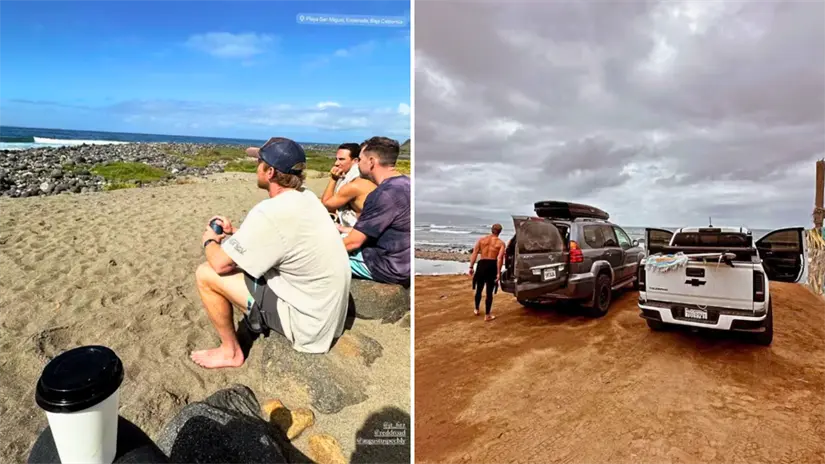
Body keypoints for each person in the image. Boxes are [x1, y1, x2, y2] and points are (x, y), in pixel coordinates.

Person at [192, 137, 351, 369]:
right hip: (326, 315)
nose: (257, 166)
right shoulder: (307, 198)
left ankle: (231, 352)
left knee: (205, 274)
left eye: (260, 162)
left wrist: (209, 241)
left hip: (306, 326)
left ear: (270, 172)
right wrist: (235, 232)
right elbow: (282, 238)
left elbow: (220, 264)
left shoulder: (270, 211)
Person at [340, 136, 410, 287]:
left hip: (387, 267)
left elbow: (352, 243)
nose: (357, 164)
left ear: (371, 162)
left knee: (319, 258)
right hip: (404, 263)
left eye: (360, 159)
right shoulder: (406, 184)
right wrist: (345, 229)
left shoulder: (383, 194)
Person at [321, 143, 377, 228]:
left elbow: (327, 205)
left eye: (341, 159)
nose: (336, 163)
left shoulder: (354, 183)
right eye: (336, 159)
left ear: (355, 161)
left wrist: (333, 179)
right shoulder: (363, 177)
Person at [469, 224, 506, 321]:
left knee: (479, 289)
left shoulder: (481, 240)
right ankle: (487, 315)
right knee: (489, 292)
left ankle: (476, 309)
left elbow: (475, 253)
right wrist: (498, 272)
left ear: (491, 230)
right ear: (500, 231)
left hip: (482, 264)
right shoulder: (501, 243)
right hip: (492, 265)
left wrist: (471, 266)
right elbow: (499, 258)